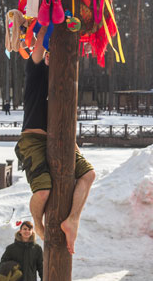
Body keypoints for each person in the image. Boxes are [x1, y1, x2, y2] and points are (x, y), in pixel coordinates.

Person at [14, 38, 96, 254]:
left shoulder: (62, 81)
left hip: (61, 138)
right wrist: (45, 19)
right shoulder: (35, 72)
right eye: (49, 55)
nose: (51, 58)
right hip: (33, 140)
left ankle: (73, 220)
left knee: (88, 175)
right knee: (43, 192)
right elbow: (40, 44)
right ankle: (38, 224)